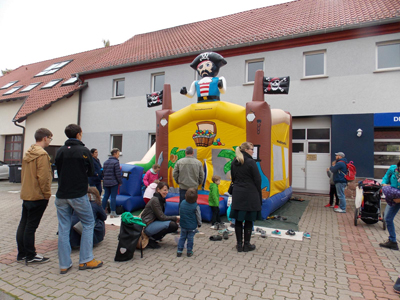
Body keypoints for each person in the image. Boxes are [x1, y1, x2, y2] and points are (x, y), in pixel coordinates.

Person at [55, 124, 103, 274]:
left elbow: (57, 168)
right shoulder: (83, 151)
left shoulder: (60, 151)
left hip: (61, 195)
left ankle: (64, 264)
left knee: (63, 227)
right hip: (78, 194)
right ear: (78, 135)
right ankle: (86, 260)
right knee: (89, 223)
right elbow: (91, 172)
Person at [16, 128, 53, 264]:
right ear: (44, 138)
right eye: (50, 138)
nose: (50, 140)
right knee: (31, 227)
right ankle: (31, 255)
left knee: (24, 224)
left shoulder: (28, 152)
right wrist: (46, 194)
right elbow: (43, 178)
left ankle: (22, 253)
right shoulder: (42, 155)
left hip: (27, 194)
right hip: (38, 196)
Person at [229, 142, 262, 252]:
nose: (253, 151)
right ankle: (246, 244)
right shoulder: (251, 162)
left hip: (238, 193)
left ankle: (239, 245)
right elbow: (258, 179)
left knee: (238, 220)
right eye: (252, 149)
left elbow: (233, 178)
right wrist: (258, 193)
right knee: (248, 220)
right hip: (250, 193)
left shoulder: (234, 162)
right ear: (246, 150)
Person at [140, 182, 180, 249]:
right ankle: (151, 239)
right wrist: (176, 217)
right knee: (172, 225)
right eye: (164, 190)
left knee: (172, 224)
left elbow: (161, 216)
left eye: (167, 190)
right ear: (158, 190)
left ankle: (154, 237)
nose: (166, 192)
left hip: (152, 222)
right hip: (147, 225)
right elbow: (162, 217)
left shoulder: (161, 199)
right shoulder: (155, 200)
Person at [379, 161, 400, 251]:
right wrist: (384, 184)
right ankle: (392, 241)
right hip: (394, 198)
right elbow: (385, 179)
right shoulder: (392, 169)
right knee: (387, 218)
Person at [177, 188, 202, 257]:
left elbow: (180, 212)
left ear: (185, 195)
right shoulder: (195, 206)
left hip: (183, 224)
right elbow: (198, 216)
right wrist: (199, 223)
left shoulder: (182, 203)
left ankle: (179, 250)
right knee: (190, 238)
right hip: (192, 226)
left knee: (182, 237)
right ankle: (189, 251)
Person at [102, 148, 123, 218]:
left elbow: (103, 172)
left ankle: (102, 211)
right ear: (114, 154)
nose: (118, 155)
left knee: (105, 196)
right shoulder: (116, 162)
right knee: (113, 197)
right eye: (118, 153)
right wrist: (120, 182)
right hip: (113, 182)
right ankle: (113, 212)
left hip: (106, 182)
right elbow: (117, 173)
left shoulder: (105, 162)